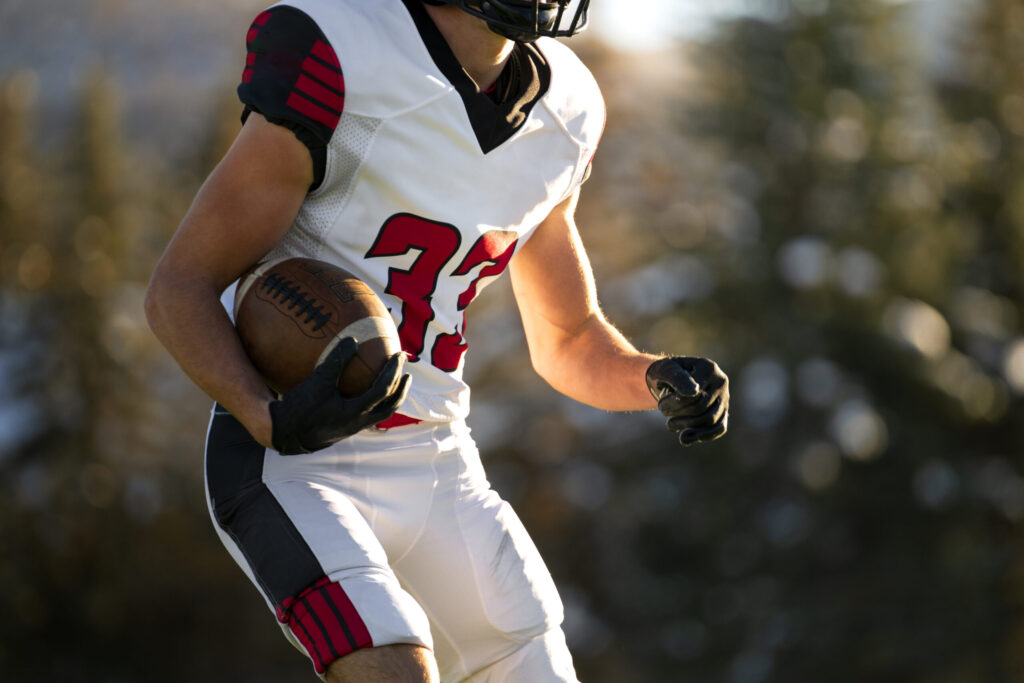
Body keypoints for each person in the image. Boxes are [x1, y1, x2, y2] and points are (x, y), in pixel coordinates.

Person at [144, 0, 730, 680]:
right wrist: (263, 412)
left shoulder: (563, 110)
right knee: (394, 666)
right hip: (295, 460)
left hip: (439, 460)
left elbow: (566, 338)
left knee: (534, 662)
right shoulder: (345, 54)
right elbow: (179, 287)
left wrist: (649, 377)